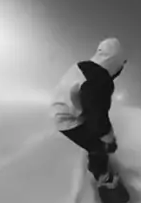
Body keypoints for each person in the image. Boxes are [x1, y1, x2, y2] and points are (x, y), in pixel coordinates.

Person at [50, 38, 127, 188]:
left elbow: (90, 104)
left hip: (62, 108)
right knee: (98, 146)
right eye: (120, 65)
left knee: (99, 134)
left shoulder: (83, 66)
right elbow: (96, 113)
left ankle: (100, 159)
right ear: (114, 62)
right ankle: (102, 177)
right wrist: (108, 138)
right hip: (66, 118)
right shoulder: (100, 79)